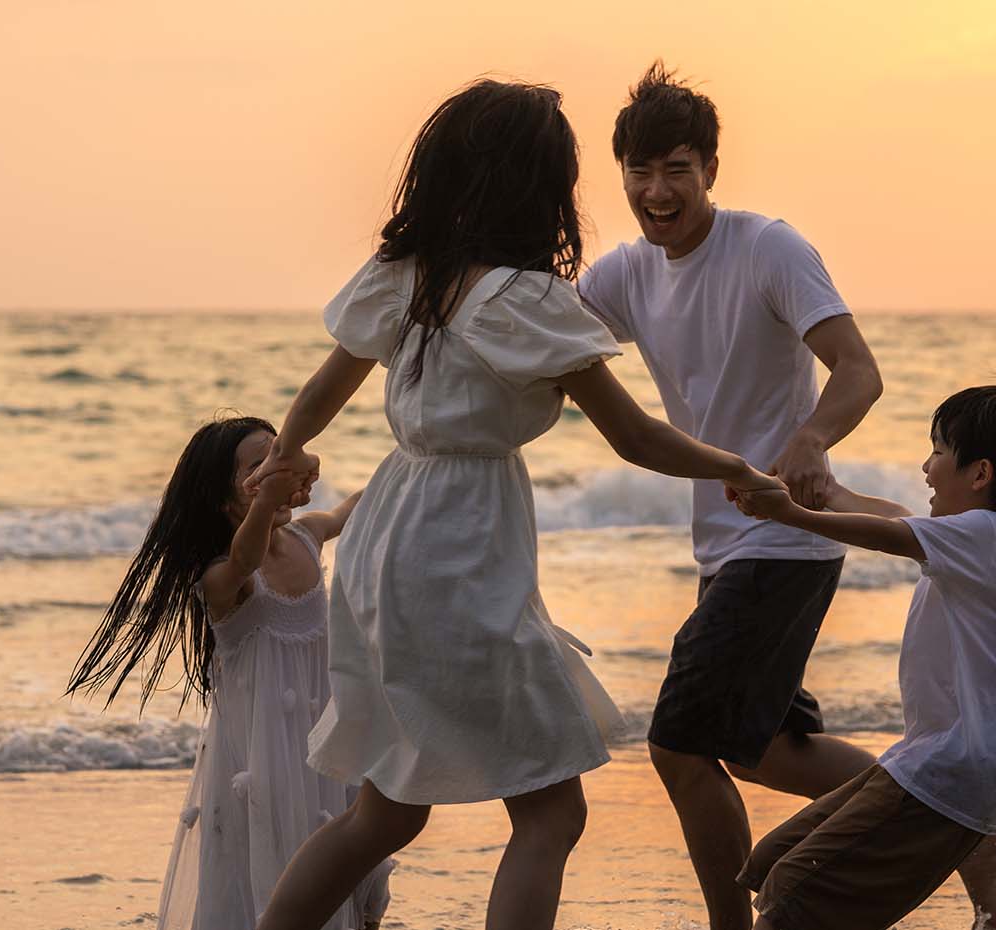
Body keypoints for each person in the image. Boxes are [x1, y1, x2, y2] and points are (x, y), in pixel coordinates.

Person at [247, 79, 784, 930]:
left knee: (386, 812)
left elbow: (322, 390)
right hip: (462, 545)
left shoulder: (404, 275)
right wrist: (742, 470)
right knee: (550, 813)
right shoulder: (526, 300)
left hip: (388, 535)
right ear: (540, 186)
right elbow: (636, 438)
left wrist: (283, 456)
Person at [576, 61, 887, 930]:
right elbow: (539, 353)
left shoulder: (768, 248)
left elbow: (859, 372)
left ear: (710, 168)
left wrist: (811, 436)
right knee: (768, 749)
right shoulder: (624, 275)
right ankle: (934, 804)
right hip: (724, 544)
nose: (656, 189)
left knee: (678, 744)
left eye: (677, 167)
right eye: (639, 171)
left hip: (787, 537)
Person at [730, 384, 996, 930]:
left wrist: (789, 516)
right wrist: (809, 489)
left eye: (938, 452)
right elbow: (887, 514)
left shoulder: (989, 536)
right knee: (769, 863)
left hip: (946, 773)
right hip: (929, 761)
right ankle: (988, 877)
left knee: (791, 890)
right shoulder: (981, 540)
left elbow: (886, 533)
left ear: (980, 474)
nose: (926, 467)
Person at [66, 415, 392, 930]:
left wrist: (412, 459)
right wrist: (268, 496)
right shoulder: (221, 577)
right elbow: (245, 557)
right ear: (225, 499)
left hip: (324, 740)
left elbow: (352, 510)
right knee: (267, 864)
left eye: (278, 456)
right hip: (261, 760)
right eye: (258, 467)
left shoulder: (308, 537)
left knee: (352, 856)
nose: (275, 471)